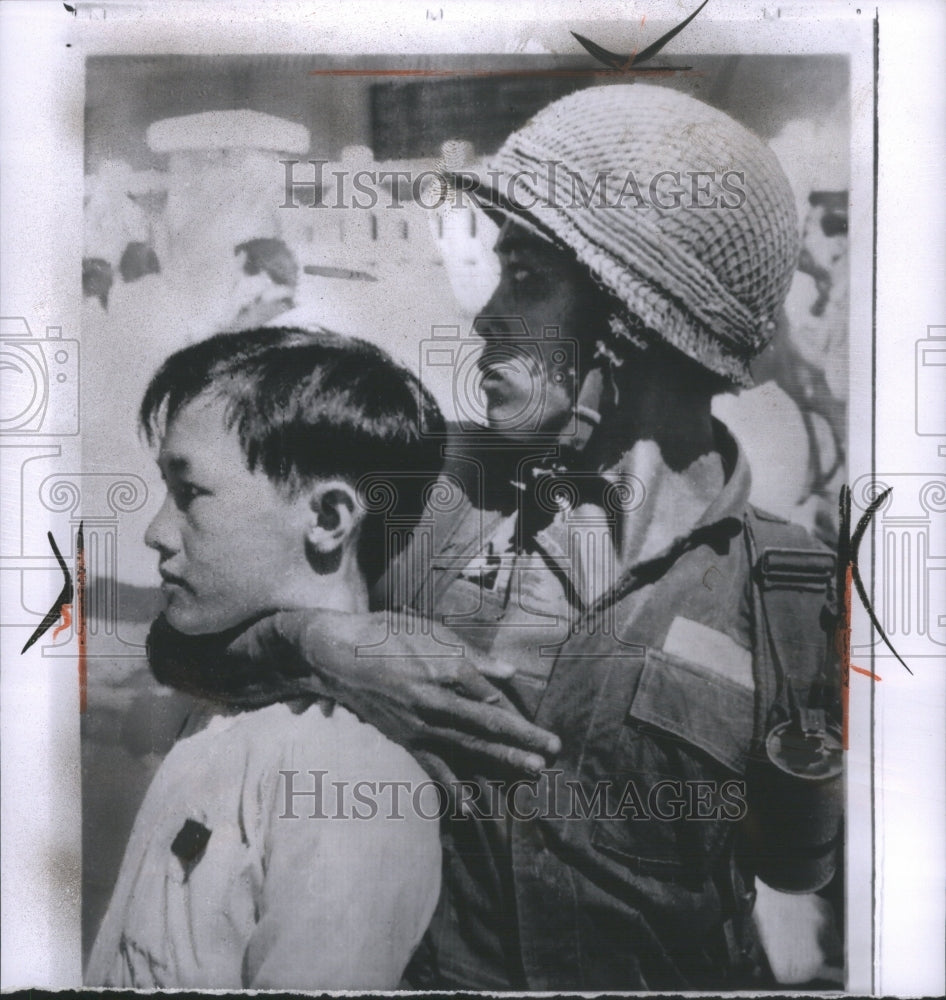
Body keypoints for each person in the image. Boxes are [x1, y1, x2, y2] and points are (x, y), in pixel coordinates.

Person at [205, 85, 842, 988]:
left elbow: (806, 873)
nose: (485, 316)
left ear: (630, 321)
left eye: (528, 278)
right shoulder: (425, 493)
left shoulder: (794, 589)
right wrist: (320, 643)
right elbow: (187, 638)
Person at [85, 327, 444, 989]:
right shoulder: (234, 707)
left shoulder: (351, 785)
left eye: (190, 493)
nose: (156, 531)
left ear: (330, 518)